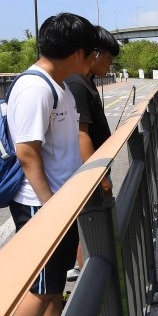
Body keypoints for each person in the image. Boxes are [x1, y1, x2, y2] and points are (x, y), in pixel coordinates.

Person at [1, 13, 98, 316]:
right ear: (76, 53)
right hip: (40, 205)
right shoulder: (35, 88)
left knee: (53, 280)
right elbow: (27, 153)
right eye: (89, 53)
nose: (92, 60)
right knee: (41, 284)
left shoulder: (58, 85)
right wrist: (50, 208)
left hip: (57, 201)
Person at [65, 25, 120, 278]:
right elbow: (81, 133)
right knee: (92, 219)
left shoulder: (86, 81)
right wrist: (97, 178)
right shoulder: (76, 84)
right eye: (110, 58)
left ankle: (84, 265)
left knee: (89, 221)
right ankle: (88, 270)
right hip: (91, 172)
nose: (111, 65)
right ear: (96, 54)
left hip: (96, 167)